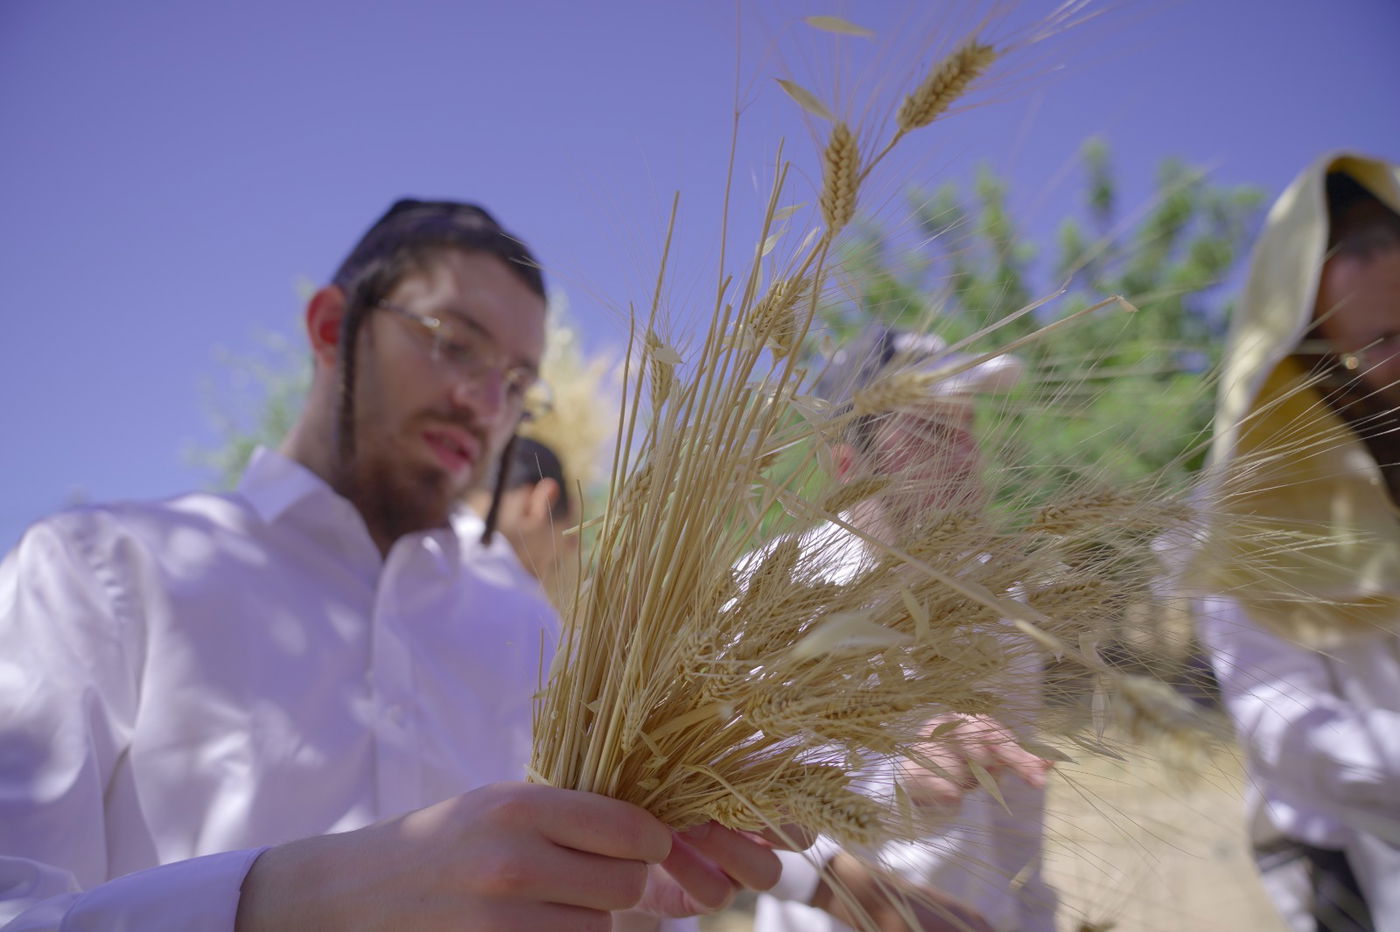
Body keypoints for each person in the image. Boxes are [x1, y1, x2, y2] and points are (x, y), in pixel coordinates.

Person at [0, 199, 785, 930]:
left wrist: (628, 868)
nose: (485, 403)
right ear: (331, 328)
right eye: (453, 342)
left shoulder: (530, 628)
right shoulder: (99, 571)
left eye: (517, 383)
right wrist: (296, 897)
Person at [753, 326, 1057, 932]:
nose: (967, 456)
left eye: (968, 428)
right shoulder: (766, 596)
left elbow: (1019, 815)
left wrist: (1032, 916)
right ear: (846, 464)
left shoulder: (998, 599)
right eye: (932, 431)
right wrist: (898, 784)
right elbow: (734, 811)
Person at [1192, 153, 1400, 930]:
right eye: (1378, 342)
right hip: (1351, 860)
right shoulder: (1249, 500)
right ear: (1313, 352)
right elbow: (1279, 713)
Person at [466, 435, 580, 599]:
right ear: (541, 501)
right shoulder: (520, 614)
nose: (574, 545)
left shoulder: (424, 556)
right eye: (572, 528)